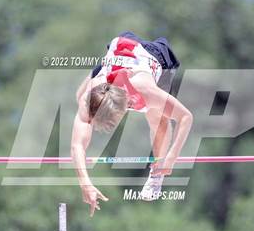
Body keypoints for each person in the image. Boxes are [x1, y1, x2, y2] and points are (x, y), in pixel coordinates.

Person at [71, 31, 192, 216]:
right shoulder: (89, 97)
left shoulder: (146, 92)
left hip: (153, 56)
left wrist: (172, 157)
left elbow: (185, 117)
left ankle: (156, 176)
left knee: (158, 121)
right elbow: (77, 145)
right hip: (120, 51)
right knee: (78, 95)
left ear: (126, 107)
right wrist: (85, 184)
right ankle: (106, 66)